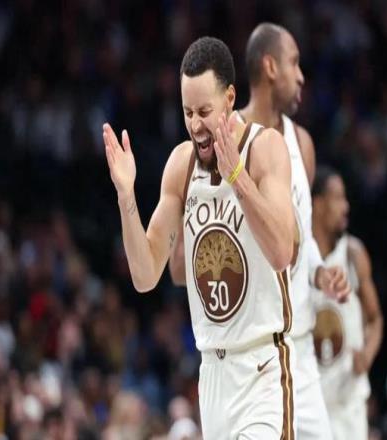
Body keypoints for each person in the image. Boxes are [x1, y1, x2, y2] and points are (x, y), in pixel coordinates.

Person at [103, 36, 297, 439]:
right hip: (211, 375)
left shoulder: (265, 148)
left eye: (204, 111)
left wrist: (237, 177)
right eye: (188, 112)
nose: (195, 125)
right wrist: (126, 196)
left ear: (230, 98)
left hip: (262, 367)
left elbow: (282, 252)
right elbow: (145, 275)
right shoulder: (180, 165)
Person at [238, 23, 349, 440]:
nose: (302, 76)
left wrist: (319, 272)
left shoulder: (302, 143)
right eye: (294, 63)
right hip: (252, 354)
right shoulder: (228, 139)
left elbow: (301, 231)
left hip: (299, 348)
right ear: (270, 67)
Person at [311, 166, 384, 440]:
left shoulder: (353, 254)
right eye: (338, 198)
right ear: (318, 204)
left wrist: (367, 353)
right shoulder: (299, 260)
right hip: (311, 401)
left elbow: (376, 318)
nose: (346, 207)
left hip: (348, 404)